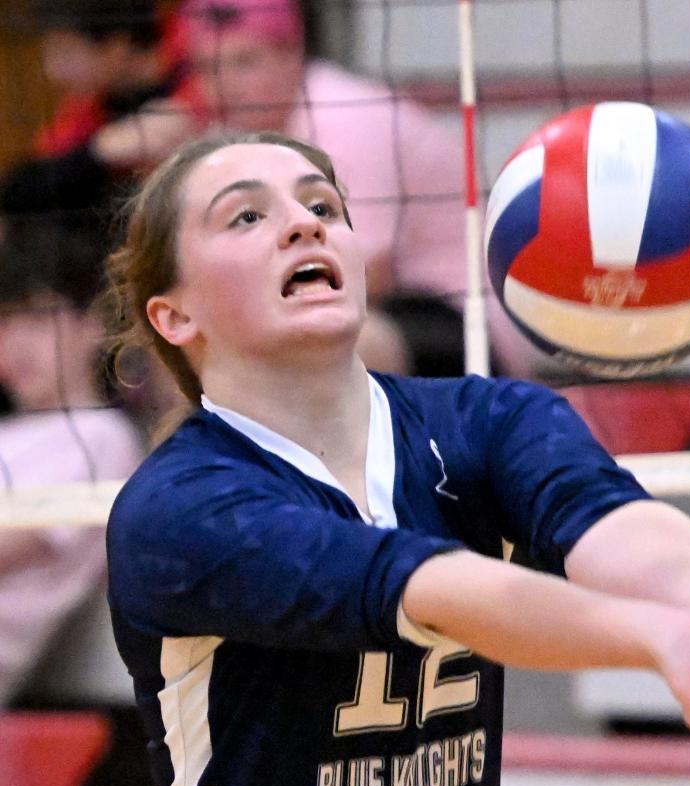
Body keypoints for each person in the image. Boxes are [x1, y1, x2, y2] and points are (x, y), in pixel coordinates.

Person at [104, 131, 690, 786]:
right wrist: (655, 635)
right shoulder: (179, 510)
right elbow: (437, 589)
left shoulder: (490, 420)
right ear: (176, 317)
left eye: (324, 208)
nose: (304, 224)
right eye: (246, 217)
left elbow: (609, 522)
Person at [178, 0, 540, 377]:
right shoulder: (233, 136)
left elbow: (363, 274)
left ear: (292, 54)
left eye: (244, 62)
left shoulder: (344, 115)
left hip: (462, 322)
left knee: (314, 340)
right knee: (195, 328)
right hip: (379, 307)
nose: (222, 84)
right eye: (206, 67)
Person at [0, 219, 143, 705]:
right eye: (3, 322)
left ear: (94, 324)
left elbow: (12, 546)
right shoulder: (10, 432)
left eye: (38, 318)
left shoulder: (101, 437)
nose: (15, 341)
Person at [0, 0, 200, 224]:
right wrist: (99, 152)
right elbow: (19, 189)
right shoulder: (94, 105)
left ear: (118, 45)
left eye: (65, 53)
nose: (52, 71)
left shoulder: (199, 76)